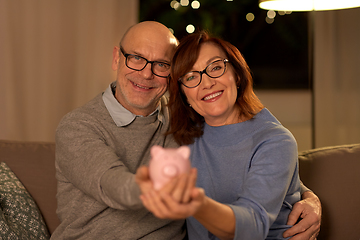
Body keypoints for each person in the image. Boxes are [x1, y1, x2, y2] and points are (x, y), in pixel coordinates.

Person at [52, 21, 320, 239]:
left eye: (161, 65)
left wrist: (307, 198)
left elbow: (261, 158)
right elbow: (114, 185)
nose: (146, 74)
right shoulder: (79, 126)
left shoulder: (181, 123)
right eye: (136, 58)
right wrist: (176, 194)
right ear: (116, 58)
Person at [137, 31, 321, 239]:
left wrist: (196, 203)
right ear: (183, 94)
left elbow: (252, 226)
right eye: (191, 77)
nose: (206, 83)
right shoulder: (180, 136)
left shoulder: (275, 140)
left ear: (237, 75)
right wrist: (307, 194)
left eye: (216, 67)